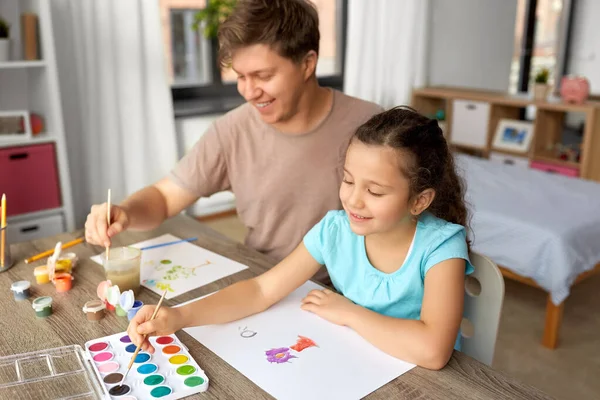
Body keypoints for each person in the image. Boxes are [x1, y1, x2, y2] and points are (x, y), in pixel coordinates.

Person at [127, 107, 475, 370]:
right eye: (349, 180)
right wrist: (180, 317)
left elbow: (433, 350)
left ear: (419, 200)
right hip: (357, 363)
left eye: (375, 191)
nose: (353, 200)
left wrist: (349, 313)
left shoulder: (442, 247)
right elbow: (262, 290)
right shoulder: (335, 230)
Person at [83, 0, 382, 283]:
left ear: (307, 64)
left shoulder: (371, 125)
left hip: (347, 292)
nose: (249, 92)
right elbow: (163, 197)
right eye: (240, 76)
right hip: (263, 283)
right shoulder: (231, 131)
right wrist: (126, 212)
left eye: (262, 76)